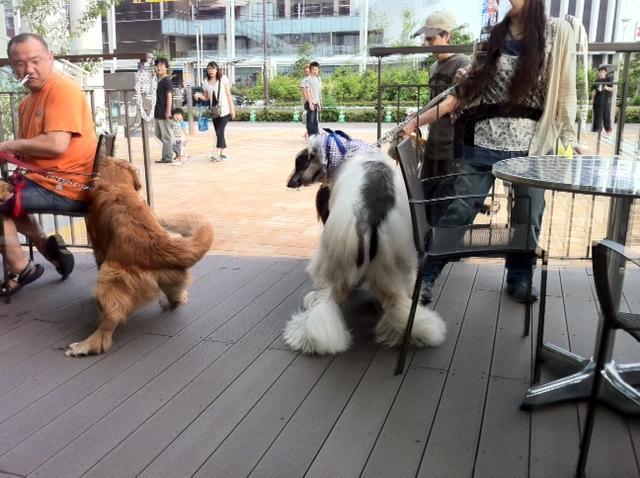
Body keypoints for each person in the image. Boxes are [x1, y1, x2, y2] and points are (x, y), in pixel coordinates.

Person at [418, 0, 586, 305]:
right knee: (460, 209)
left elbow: (565, 88)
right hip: (483, 137)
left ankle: (519, 276)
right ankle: (426, 275)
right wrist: (467, 78)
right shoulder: (495, 34)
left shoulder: (556, 32)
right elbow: (472, 90)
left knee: (528, 213)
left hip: (532, 145)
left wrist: (569, 136)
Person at [0, 33, 98, 295]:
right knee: (3, 199)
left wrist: (7, 146)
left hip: (69, 186)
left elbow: (55, 145)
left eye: (35, 61)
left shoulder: (62, 90)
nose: (28, 69)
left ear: (50, 58)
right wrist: (15, 152)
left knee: (1, 200)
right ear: (12, 68)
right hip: (43, 180)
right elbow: (30, 150)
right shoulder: (27, 103)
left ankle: (22, 267)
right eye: (20, 63)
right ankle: (48, 248)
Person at [403, 11, 471, 180]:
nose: (428, 44)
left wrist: (414, 122)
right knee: (424, 193)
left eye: (431, 39)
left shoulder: (463, 63)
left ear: (447, 35)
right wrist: (417, 115)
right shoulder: (433, 67)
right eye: (426, 39)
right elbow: (434, 103)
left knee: (446, 194)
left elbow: (449, 104)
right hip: (433, 144)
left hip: (452, 146)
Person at [194, 61, 236, 161]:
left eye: (212, 68)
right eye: (209, 68)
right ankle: (222, 154)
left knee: (219, 131)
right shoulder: (205, 82)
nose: (210, 70)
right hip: (214, 111)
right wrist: (199, 96)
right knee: (218, 132)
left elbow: (228, 95)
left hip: (225, 110)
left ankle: (216, 153)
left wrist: (232, 110)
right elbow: (206, 97)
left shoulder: (223, 79)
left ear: (217, 69)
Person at [153, 57, 174, 164]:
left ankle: (167, 157)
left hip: (164, 112)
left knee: (166, 136)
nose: (159, 68)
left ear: (166, 68)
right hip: (157, 111)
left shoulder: (167, 81)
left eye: (161, 66)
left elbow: (169, 96)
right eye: (157, 66)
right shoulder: (159, 80)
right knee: (158, 134)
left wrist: (168, 111)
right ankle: (173, 148)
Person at [592, 66, 613, 134]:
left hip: (605, 100)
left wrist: (606, 87)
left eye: (603, 72)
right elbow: (594, 91)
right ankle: (596, 129)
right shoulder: (597, 81)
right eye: (600, 72)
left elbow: (612, 89)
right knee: (597, 115)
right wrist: (592, 100)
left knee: (606, 114)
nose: (601, 73)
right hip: (597, 100)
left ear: (605, 73)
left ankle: (608, 129)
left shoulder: (608, 79)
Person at [303, 61, 322, 136]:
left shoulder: (317, 79)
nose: (315, 71)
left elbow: (317, 93)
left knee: (315, 120)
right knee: (310, 120)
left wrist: (319, 103)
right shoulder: (308, 79)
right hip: (311, 102)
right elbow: (307, 92)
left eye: (317, 69)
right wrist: (310, 103)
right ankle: (311, 135)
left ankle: (316, 134)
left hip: (316, 102)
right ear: (310, 70)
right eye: (313, 69)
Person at [300, 64, 310, 138]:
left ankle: (308, 132)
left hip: (314, 101)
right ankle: (308, 132)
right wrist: (308, 101)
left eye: (308, 71)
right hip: (307, 101)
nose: (307, 73)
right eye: (305, 72)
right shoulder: (304, 81)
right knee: (307, 117)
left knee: (313, 118)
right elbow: (303, 91)